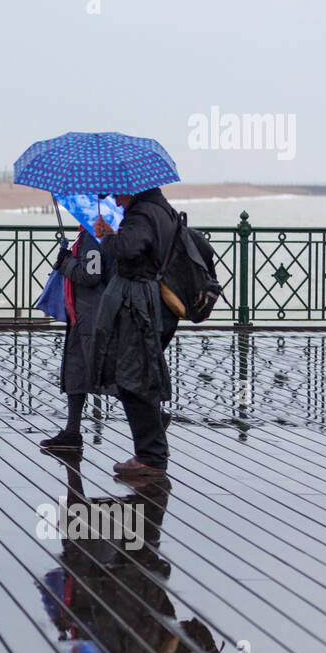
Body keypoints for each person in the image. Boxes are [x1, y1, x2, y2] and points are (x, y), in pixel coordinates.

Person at [91, 185, 180, 479]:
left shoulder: (142, 213)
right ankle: (153, 447)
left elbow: (127, 250)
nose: (114, 200)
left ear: (132, 189)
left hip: (138, 304)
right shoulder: (160, 209)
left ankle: (150, 456)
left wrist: (107, 236)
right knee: (140, 374)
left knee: (133, 377)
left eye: (117, 193)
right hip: (151, 301)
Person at [39, 221, 112, 450]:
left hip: (92, 314)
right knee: (76, 371)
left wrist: (67, 263)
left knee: (111, 376)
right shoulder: (90, 233)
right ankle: (72, 430)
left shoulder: (92, 236)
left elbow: (91, 276)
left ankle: (152, 420)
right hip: (81, 312)